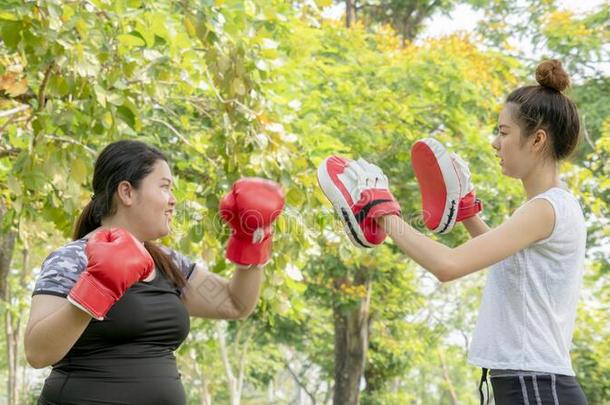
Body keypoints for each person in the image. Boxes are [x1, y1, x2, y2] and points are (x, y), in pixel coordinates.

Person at [317, 60, 588, 404]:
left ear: (537, 140)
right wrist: (467, 212)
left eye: (503, 133)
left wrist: (380, 210)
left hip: (535, 387)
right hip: (530, 385)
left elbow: (448, 265)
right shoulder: (549, 208)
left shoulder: (546, 209)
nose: (494, 142)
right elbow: (512, 270)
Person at [24, 140, 285, 404]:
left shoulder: (167, 262)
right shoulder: (72, 259)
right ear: (126, 192)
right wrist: (96, 289)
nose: (173, 200)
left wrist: (251, 239)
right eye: (164, 187)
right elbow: (37, 353)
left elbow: (233, 303)